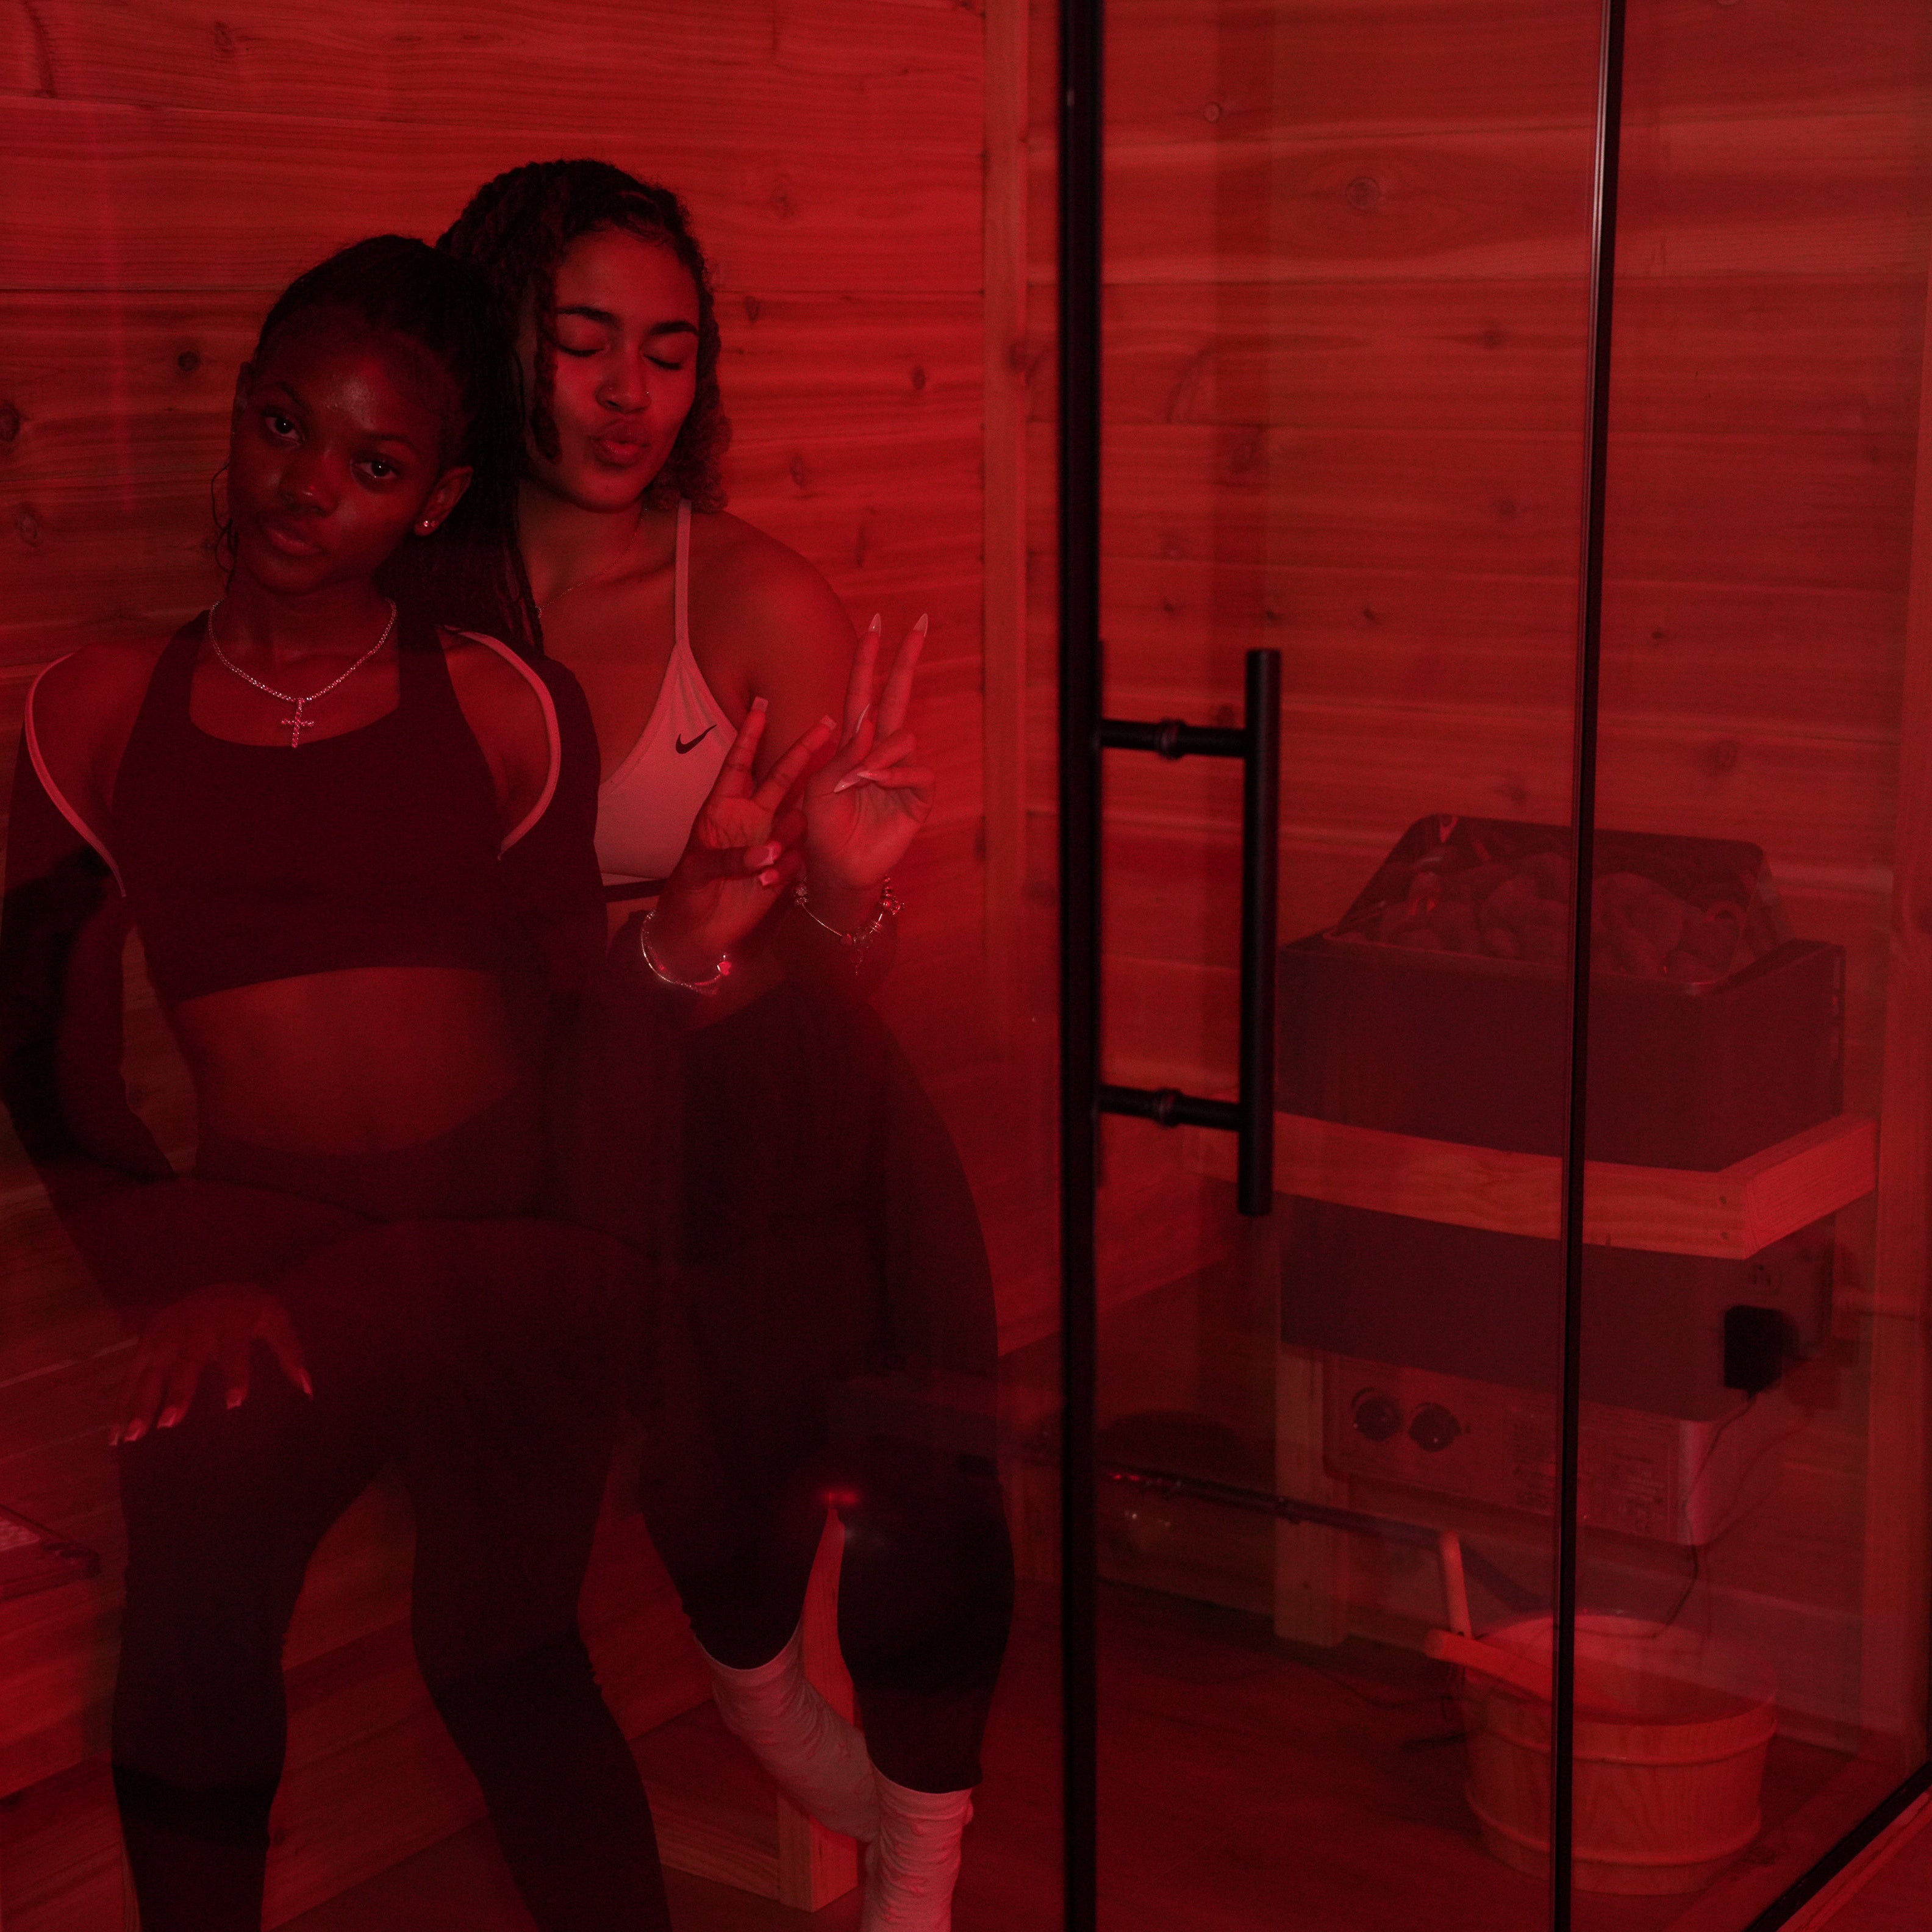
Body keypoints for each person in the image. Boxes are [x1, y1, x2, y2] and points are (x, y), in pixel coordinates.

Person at [0, 235, 733, 1932]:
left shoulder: (500, 705)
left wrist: (681, 968)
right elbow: (40, 1042)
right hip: (265, 1244)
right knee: (192, 1579)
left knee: (501, 1646)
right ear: (241, 421)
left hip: (495, 1240)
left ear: (436, 497)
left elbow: (573, 1023)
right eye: (282, 426)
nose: (307, 485)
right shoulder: (98, 706)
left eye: (374, 463)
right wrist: (180, 1273)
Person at [443, 161, 1013, 1931]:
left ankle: (922, 1862)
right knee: (715, 1533)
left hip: (782, 1104)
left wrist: (842, 888)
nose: (631, 393)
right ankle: (790, 1730)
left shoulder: (752, 598)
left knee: (923, 1470)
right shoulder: (420, 611)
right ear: (496, 339)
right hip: (574, 1130)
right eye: (583, 340)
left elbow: (848, 982)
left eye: (671, 351)